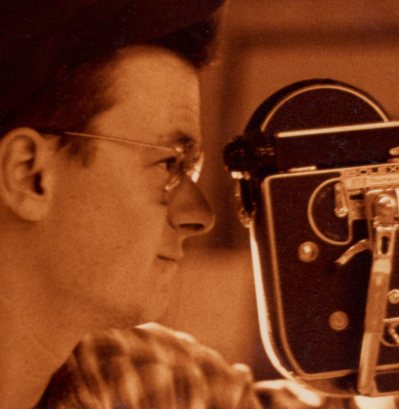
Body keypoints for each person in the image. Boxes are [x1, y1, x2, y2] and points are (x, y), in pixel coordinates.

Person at [0, 1, 351, 408]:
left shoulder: (138, 381)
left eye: (192, 168)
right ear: (29, 174)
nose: (200, 215)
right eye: (169, 163)